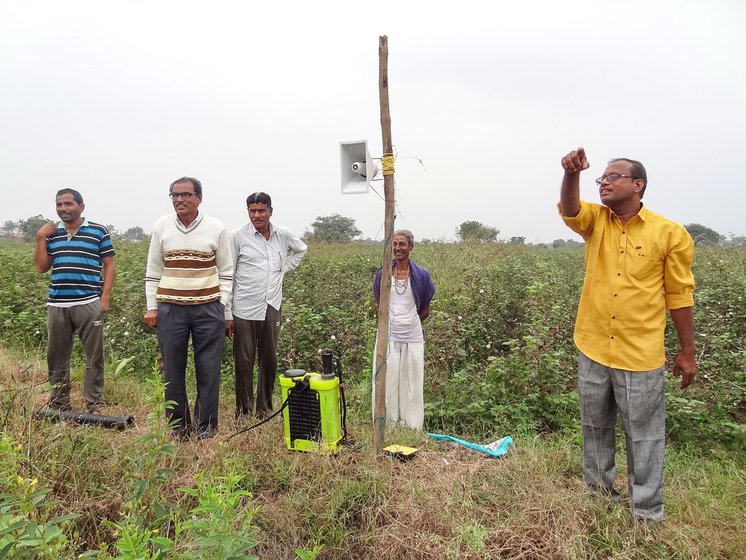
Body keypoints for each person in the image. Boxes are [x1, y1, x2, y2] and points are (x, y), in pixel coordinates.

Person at [558, 146, 697, 522]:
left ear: (638, 185)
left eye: (612, 176)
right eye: (600, 177)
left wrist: (688, 352)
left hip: (640, 353)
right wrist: (572, 173)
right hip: (593, 346)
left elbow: (679, 294)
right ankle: (599, 498)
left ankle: (646, 514)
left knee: (645, 436)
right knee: (594, 427)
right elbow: (570, 209)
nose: (603, 181)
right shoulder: (596, 221)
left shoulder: (670, 234)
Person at [144, 177, 233, 440]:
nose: (179, 200)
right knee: (172, 370)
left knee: (208, 370)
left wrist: (222, 303)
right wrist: (152, 307)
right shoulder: (162, 226)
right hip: (171, 310)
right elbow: (153, 271)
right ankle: (178, 429)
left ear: (199, 198)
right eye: (174, 195)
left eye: (185, 195)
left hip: (208, 310)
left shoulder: (216, 228)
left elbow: (226, 272)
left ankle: (206, 429)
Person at [34, 188, 116, 413]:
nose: (63, 209)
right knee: (56, 356)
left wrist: (105, 298)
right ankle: (59, 403)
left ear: (81, 207)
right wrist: (40, 237)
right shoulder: (51, 233)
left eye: (68, 204)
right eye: (59, 204)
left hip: (89, 302)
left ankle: (95, 403)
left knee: (94, 356)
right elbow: (42, 267)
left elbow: (109, 265)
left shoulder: (97, 231)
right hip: (57, 303)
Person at [229, 192, 307, 421]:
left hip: (272, 304)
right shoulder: (237, 236)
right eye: (252, 211)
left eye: (261, 210)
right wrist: (227, 313)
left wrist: (284, 267)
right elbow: (228, 274)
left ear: (270, 211)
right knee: (244, 361)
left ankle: (264, 409)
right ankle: (243, 411)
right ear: (248, 212)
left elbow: (301, 249)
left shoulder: (282, 235)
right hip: (243, 307)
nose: (257, 215)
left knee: (269, 359)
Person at [372, 229, 435, 430]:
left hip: (413, 336)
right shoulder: (383, 273)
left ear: (410, 247)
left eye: (402, 244)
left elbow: (425, 308)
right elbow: (379, 304)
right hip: (388, 336)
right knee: (387, 381)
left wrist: (409, 322)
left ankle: (412, 427)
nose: (398, 248)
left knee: (413, 383)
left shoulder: (422, 275)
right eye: (395, 244)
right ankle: (387, 425)